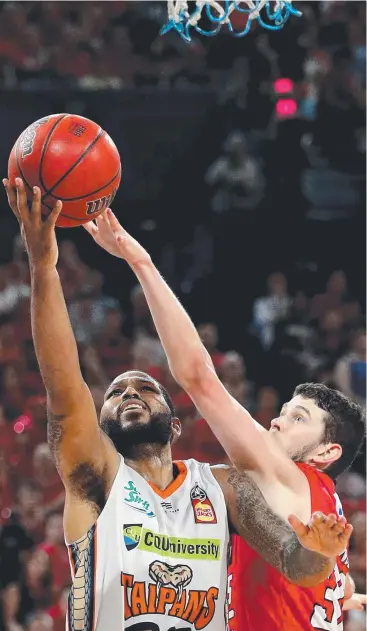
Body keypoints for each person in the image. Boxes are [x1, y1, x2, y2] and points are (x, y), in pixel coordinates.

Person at [3, 179, 353, 631]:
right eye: (115, 394)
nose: (129, 392)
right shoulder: (96, 475)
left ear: (175, 427)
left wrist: (319, 554)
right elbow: (62, 382)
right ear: (102, 427)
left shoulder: (224, 487)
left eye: (146, 389)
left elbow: (294, 561)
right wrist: (43, 265)